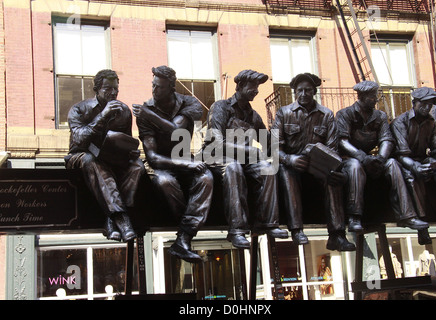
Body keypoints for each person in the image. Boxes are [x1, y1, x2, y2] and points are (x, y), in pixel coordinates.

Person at [133, 65, 213, 263]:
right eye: (153, 86)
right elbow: (153, 158)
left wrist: (149, 115)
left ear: (171, 87)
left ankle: (183, 240)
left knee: (206, 178)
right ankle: (184, 234)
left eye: (159, 87)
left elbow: (176, 130)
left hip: (184, 157)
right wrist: (187, 166)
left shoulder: (189, 103)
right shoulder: (147, 109)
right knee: (164, 182)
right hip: (162, 164)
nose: (154, 90)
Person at [203, 69, 288, 249]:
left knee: (267, 167)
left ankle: (268, 223)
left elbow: (267, 143)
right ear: (240, 86)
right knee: (233, 167)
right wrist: (249, 150)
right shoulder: (221, 107)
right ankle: (237, 230)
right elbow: (216, 142)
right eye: (252, 86)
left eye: (257, 87)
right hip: (215, 157)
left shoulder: (253, 115)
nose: (256, 91)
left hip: (244, 159)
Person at [271, 73, 355, 251]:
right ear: (294, 93)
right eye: (300, 90)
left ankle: (337, 235)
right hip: (293, 164)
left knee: (332, 179)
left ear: (314, 92)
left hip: (317, 166)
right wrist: (289, 159)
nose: (303, 94)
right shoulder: (283, 113)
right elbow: (272, 147)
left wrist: (331, 167)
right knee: (286, 173)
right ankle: (297, 230)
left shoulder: (326, 115)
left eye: (308, 90)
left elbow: (332, 148)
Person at [336, 81, 429, 236]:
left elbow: (386, 139)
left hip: (372, 160)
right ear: (362, 96)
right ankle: (354, 217)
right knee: (354, 166)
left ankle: (407, 215)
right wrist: (362, 157)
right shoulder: (345, 114)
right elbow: (342, 141)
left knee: (392, 163)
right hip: (350, 158)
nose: (376, 99)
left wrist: (381, 158)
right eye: (373, 96)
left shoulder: (380, 116)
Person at [66, 69, 145, 242]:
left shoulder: (123, 110)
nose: (113, 93)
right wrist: (103, 116)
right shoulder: (79, 109)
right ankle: (123, 220)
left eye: (116, 89)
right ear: (97, 89)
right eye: (108, 89)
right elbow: (79, 140)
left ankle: (111, 218)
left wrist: (130, 151)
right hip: (80, 156)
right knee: (93, 161)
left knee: (138, 166)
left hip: (112, 158)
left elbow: (125, 141)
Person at [390, 87, 436, 239]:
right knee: (411, 177)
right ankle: (422, 226)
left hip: (423, 158)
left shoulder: (432, 123)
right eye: (424, 103)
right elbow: (402, 154)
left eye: (430, 104)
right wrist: (416, 166)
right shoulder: (400, 122)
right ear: (414, 103)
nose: (427, 107)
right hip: (403, 161)